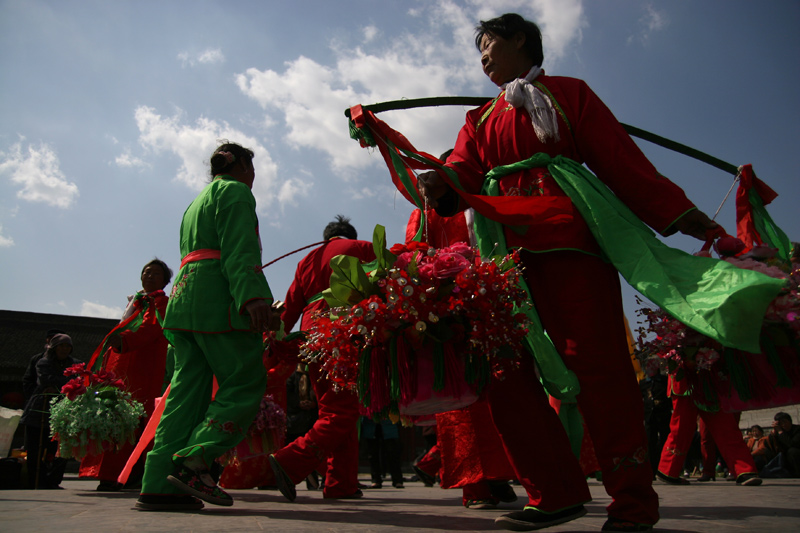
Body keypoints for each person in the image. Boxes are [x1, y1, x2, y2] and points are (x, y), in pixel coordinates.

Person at [416, 13, 722, 532]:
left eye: (488, 44)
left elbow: (620, 160)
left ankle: (632, 502)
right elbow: (464, 171)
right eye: (479, 51)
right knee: (505, 369)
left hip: (570, 239)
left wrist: (680, 212)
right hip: (502, 256)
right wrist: (441, 182)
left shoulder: (569, 93)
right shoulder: (478, 118)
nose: (483, 56)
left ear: (521, 40)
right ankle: (553, 492)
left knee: (598, 366)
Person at [136, 141, 275, 511]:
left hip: (184, 303)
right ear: (243, 166)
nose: (254, 176)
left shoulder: (195, 202)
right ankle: (196, 461)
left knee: (184, 394)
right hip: (219, 301)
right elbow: (239, 247)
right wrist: (253, 297)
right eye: (253, 167)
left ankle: (159, 485)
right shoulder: (236, 192)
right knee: (245, 380)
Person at [269, 215, 375, 501]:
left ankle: (341, 483)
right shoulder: (363, 247)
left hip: (312, 334)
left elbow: (290, 307)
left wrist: (276, 343)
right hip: (346, 327)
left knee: (335, 409)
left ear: (327, 237)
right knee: (343, 412)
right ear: (349, 235)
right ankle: (291, 460)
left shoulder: (307, 260)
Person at [80, 258, 173, 491]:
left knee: (133, 419)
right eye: (146, 271)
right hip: (119, 365)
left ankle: (124, 474)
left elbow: (152, 329)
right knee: (114, 415)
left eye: (155, 273)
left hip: (143, 368)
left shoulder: (161, 302)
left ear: (165, 280)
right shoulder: (136, 302)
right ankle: (108, 473)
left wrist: (124, 341)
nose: (149, 276)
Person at [19, 334, 81, 489]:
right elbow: (46, 380)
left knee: (59, 449)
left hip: (64, 411)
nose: (65, 349)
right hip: (40, 410)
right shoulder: (43, 362)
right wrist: (66, 385)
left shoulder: (76, 364)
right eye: (61, 346)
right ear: (54, 348)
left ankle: (53, 481)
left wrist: (61, 386)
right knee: (35, 448)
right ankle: (35, 480)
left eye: (67, 346)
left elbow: (78, 383)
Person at [22, 329, 65, 405]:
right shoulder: (37, 359)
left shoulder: (71, 362)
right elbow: (28, 380)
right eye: (51, 338)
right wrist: (36, 395)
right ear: (47, 340)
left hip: (61, 401)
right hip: (38, 400)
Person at [765, 412, 800, 477]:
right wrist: (774, 434)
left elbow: (792, 443)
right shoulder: (778, 431)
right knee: (767, 452)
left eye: (784, 422)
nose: (783, 425)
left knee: (792, 451)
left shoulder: (797, 429)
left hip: (795, 454)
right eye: (780, 423)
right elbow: (769, 445)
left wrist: (781, 432)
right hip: (783, 455)